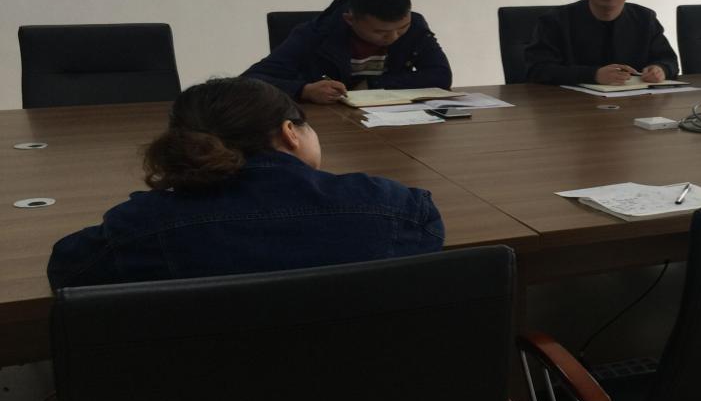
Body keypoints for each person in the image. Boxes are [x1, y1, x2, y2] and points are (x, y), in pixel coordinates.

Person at [47, 77, 445, 289]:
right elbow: (428, 242)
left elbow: (68, 270)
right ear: (290, 132)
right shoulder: (395, 209)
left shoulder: (140, 228)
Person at [244, 0, 451, 103]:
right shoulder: (315, 34)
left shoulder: (415, 26)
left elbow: (440, 76)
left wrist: (372, 84)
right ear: (350, 19)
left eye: (402, 28)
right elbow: (249, 81)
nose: (393, 37)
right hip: (328, 125)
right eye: (380, 32)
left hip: (392, 121)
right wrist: (304, 90)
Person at [524, 0, 679, 85]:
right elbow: (537, 70)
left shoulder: (645, 18)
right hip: (570, 103)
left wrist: (661, 69)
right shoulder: (555, 20)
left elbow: (669, 61)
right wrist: (594, 75)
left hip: (634, 100)